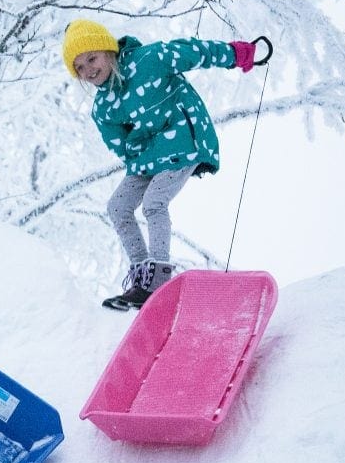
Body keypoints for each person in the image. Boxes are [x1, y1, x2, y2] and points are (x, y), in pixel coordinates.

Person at [61, 19, 260, 310]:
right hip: (149, 155)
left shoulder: (150, 60)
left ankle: (158, 278)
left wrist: (236, 55)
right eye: (80, 68)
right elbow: (118, 143)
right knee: (117, 207)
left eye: (92, 58)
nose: (89, 70)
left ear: (108, 50)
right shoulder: (103, 106)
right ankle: (143, 278)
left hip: (182, 139)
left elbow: (194, 51)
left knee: (154, 203)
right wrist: (136, 153)